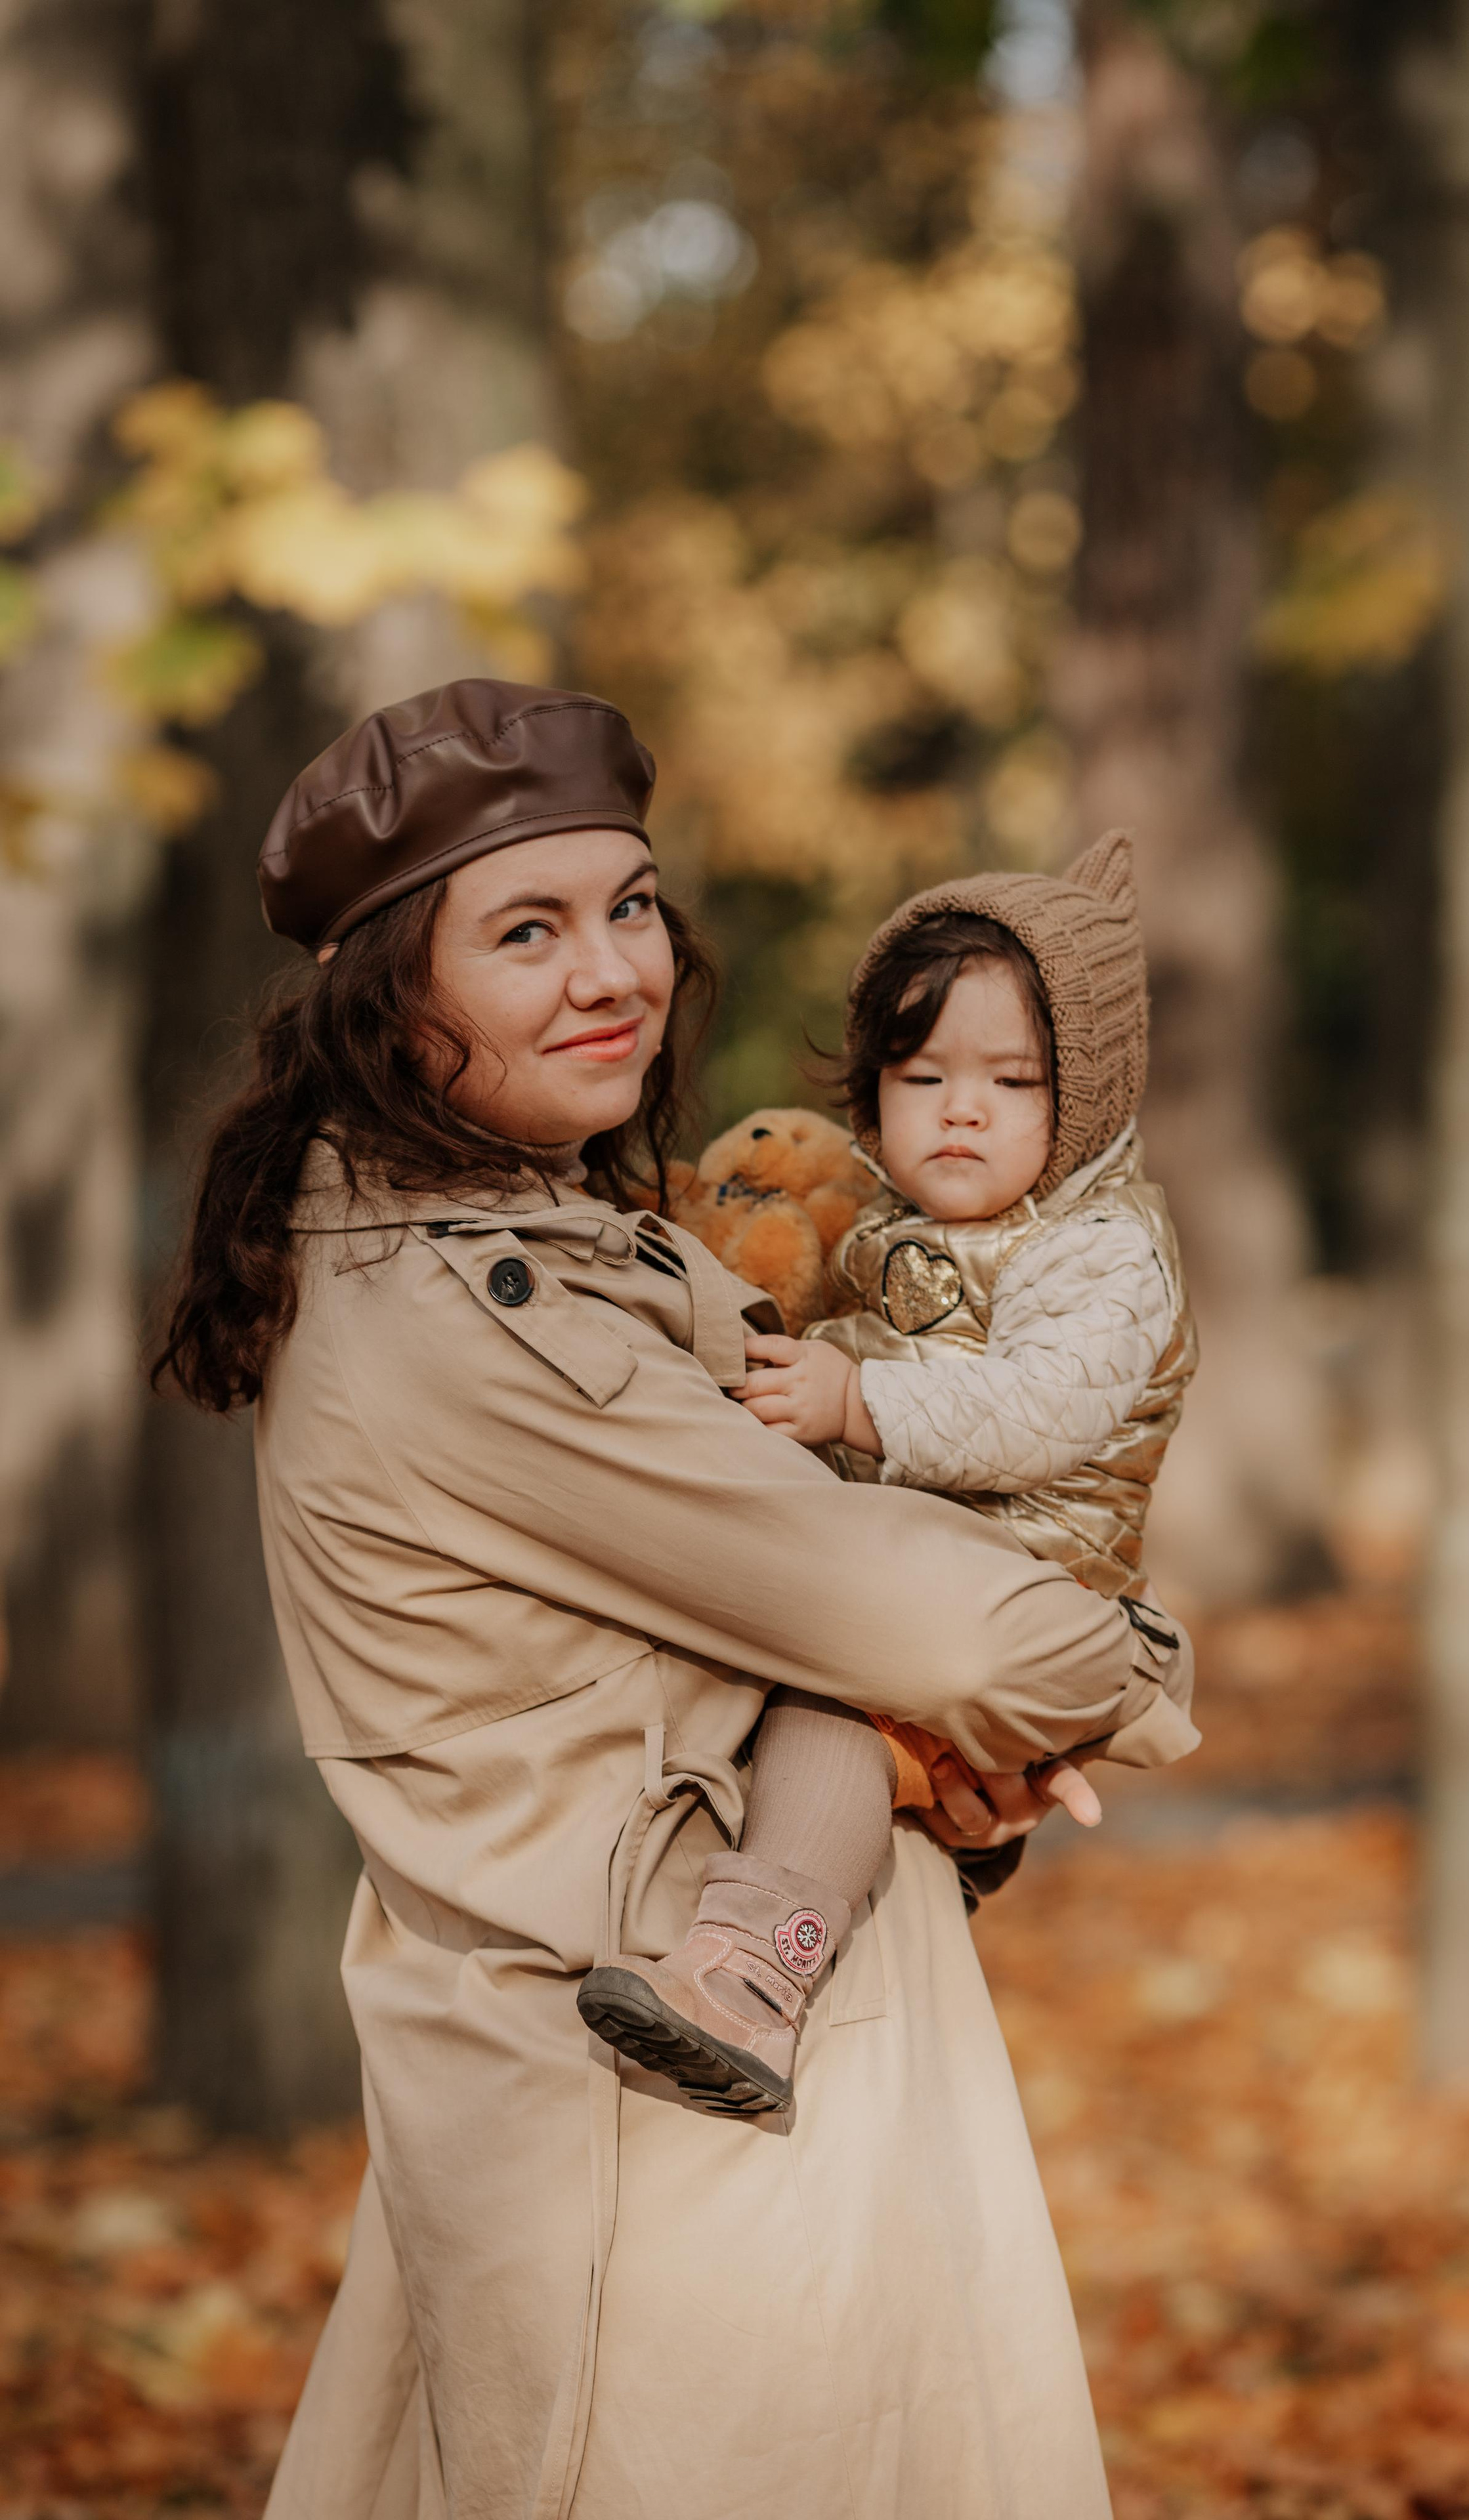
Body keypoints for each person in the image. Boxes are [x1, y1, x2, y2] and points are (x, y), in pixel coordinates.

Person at [152, 677, 1193, 2520]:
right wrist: (1111, 1670)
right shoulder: (487, 1312)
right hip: (676, 2138)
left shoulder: (483, 1221)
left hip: (647, 2080)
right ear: (396, 991)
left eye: (628, 906)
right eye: (529, 933)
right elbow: (961, 1634)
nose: (613, 971)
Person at [580, 840, 1199, 2114]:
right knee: (815, 1707)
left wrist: (855, 1399)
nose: (959, 1109)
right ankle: (900, 1862)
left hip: (1038, 1577)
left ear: (1081, 1101)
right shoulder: (885, 1217)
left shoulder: (1100, 1253)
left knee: (830, 1712)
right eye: (921, 1076)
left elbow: (1035, 1412)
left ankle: (755, 1973)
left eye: (1010, 1080)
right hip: (914, 1565)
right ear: (869, 1095)